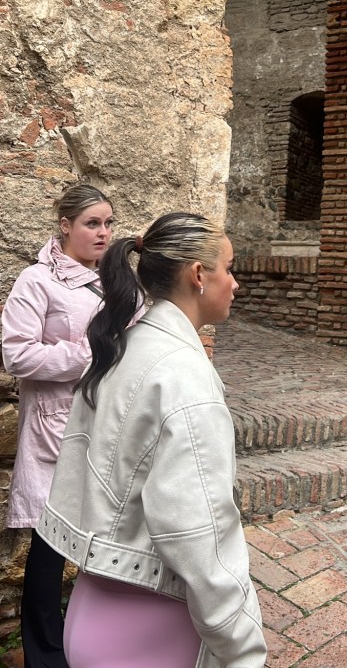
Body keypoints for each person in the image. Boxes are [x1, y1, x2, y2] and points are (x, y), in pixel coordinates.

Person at [36, 212, 267, 668]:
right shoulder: (185, 378)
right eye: (229, 268)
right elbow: (196, 532)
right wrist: (243, 645)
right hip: (151, 628)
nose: (235, 283)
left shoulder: (121, 346)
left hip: (91, 606)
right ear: (198, 275)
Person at [1, 183, 114, 668]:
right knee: (49, 550)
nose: (103, 233)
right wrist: (91, 355)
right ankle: (44, 656)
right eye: (92, 223)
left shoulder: (113, 280)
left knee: (101, 541)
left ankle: (92, 642)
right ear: (65, 225)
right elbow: (17, 355)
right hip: (56, 429)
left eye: (108, 223)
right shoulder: (37, 281)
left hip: (107, 425)